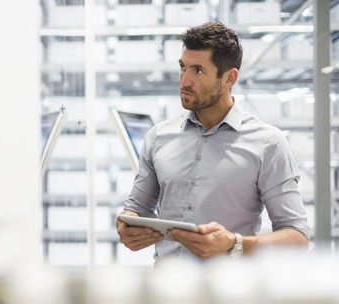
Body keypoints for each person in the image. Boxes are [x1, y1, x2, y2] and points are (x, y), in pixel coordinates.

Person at [116, 21, 310, 261]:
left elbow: (297, 238)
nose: (185, 81)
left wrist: (234, 244)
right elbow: (135, 209)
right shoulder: (158, 137)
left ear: (230, 78)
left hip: (229, 292)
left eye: (198, 70)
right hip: (167, 289)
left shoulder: (268, 144)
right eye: (182, 67)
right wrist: (128, 225)